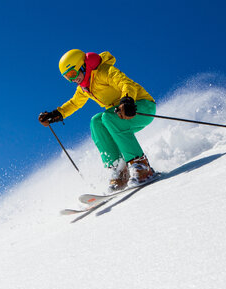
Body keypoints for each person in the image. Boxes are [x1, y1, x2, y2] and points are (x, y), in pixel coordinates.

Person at [38, 49, 156, 191]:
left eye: (72, 73)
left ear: (81, 65)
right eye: (67, 77)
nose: (72, 79)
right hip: (118, 116)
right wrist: (56, 114)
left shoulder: (103, 71)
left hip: (140, 107)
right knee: (96, 122)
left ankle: (141, 165)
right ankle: (119, 169)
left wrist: (128, 100)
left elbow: (125, 83)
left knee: (107, 117)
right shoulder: (85, 87)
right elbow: (74, 103)